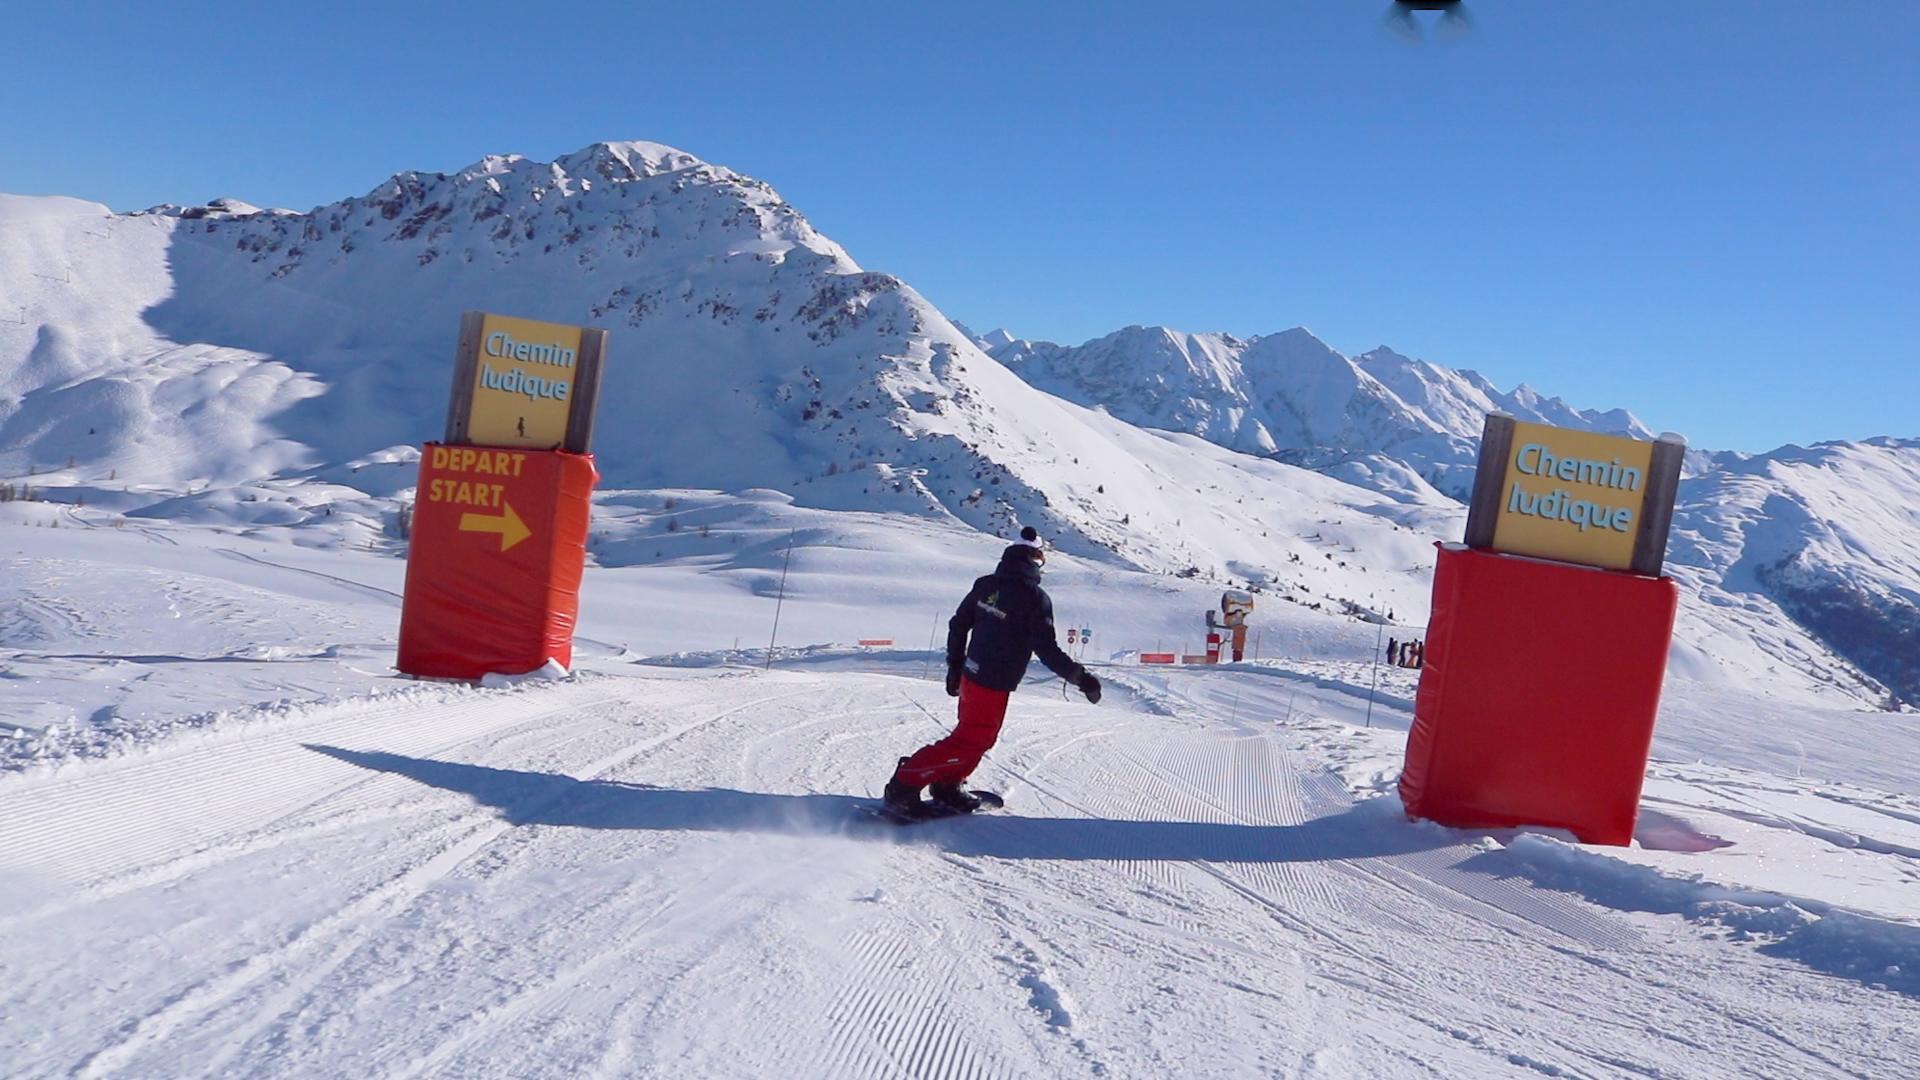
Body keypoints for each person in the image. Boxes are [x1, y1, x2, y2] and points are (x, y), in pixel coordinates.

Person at [885, 527, 1102, 815]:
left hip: (972, 674)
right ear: (1037, 559)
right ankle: (906, 781)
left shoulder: (986, 585)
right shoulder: (1034, 598)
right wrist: (1082, 679)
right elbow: (1047, 650)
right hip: (993, 681)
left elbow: (959, 624)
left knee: (971, 736)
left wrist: (956, 666)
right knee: (972, 740)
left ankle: (948, 783)